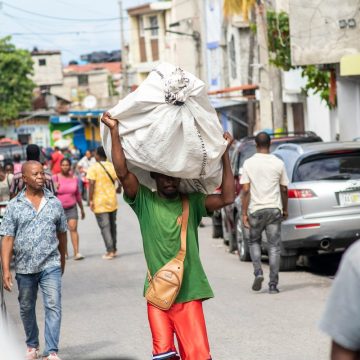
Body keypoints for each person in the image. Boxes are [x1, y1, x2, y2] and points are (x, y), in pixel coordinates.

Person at [101, 112, 235, 360]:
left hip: (189, 293)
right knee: (163, 356)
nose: (170, 180)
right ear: (154, 176)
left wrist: (225, 153)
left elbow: (228, 198)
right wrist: (114, 131)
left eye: (174, 175)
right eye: (164, 175)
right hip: (158, 294)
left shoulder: (192, 203)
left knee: (197, 356)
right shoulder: (144, 201)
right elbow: (122, 172)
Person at [0, 161, 67, 360]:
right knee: (26, 306)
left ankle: (52, 351)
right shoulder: (14, 206)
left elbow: (62, 233)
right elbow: (8, 238)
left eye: (43, 173)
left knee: (53, 305)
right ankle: (32, 345)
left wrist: (62, 259)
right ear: (25, 178)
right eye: (36, 174)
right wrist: (6, 270)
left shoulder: (54, 202)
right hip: (24, 267)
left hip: (50, 264)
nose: (41, 177)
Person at [240, 132, 289, 294]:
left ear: (256, 144)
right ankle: (273, 285)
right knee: (274, 247)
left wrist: (244, 213)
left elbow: (245, 190)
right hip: (274, 209)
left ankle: (258, 272)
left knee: (254, 242)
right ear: (270, 144)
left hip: (256, 210)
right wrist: (285, 208)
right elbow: (284, 189)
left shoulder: (248, 163)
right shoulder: (278, 163)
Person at [319, 241, 360, 360]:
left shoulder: (357, 256)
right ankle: (273, 284)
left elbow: (344, 351)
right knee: (274, 248)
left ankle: (264, 276)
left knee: (271, 246)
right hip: (274, 222)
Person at [87, 146, 119, 260]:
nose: (94, 155)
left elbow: (91, 184)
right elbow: (118, 183)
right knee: (112, 226)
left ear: (98, 155)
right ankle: (114, 249)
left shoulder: (93, 168)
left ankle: (110, 251)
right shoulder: (111, 166)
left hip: (99, 202)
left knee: (105, 227)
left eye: (95, 153)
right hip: (112, 200)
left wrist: (90, 200)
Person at [53, 158, 85, 260]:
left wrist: (82, 209)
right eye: (63, 165)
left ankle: (76, 252)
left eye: (67, 165)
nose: (65, 167)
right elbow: (49, 193)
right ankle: (64, 253)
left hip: (72, 208)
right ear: (60, 166)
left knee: (73, 228)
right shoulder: (55, 178)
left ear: (70, 166)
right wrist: (54, 187)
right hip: (59, 209)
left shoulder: (74, 178)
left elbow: (78, 195)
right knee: (62, 232)